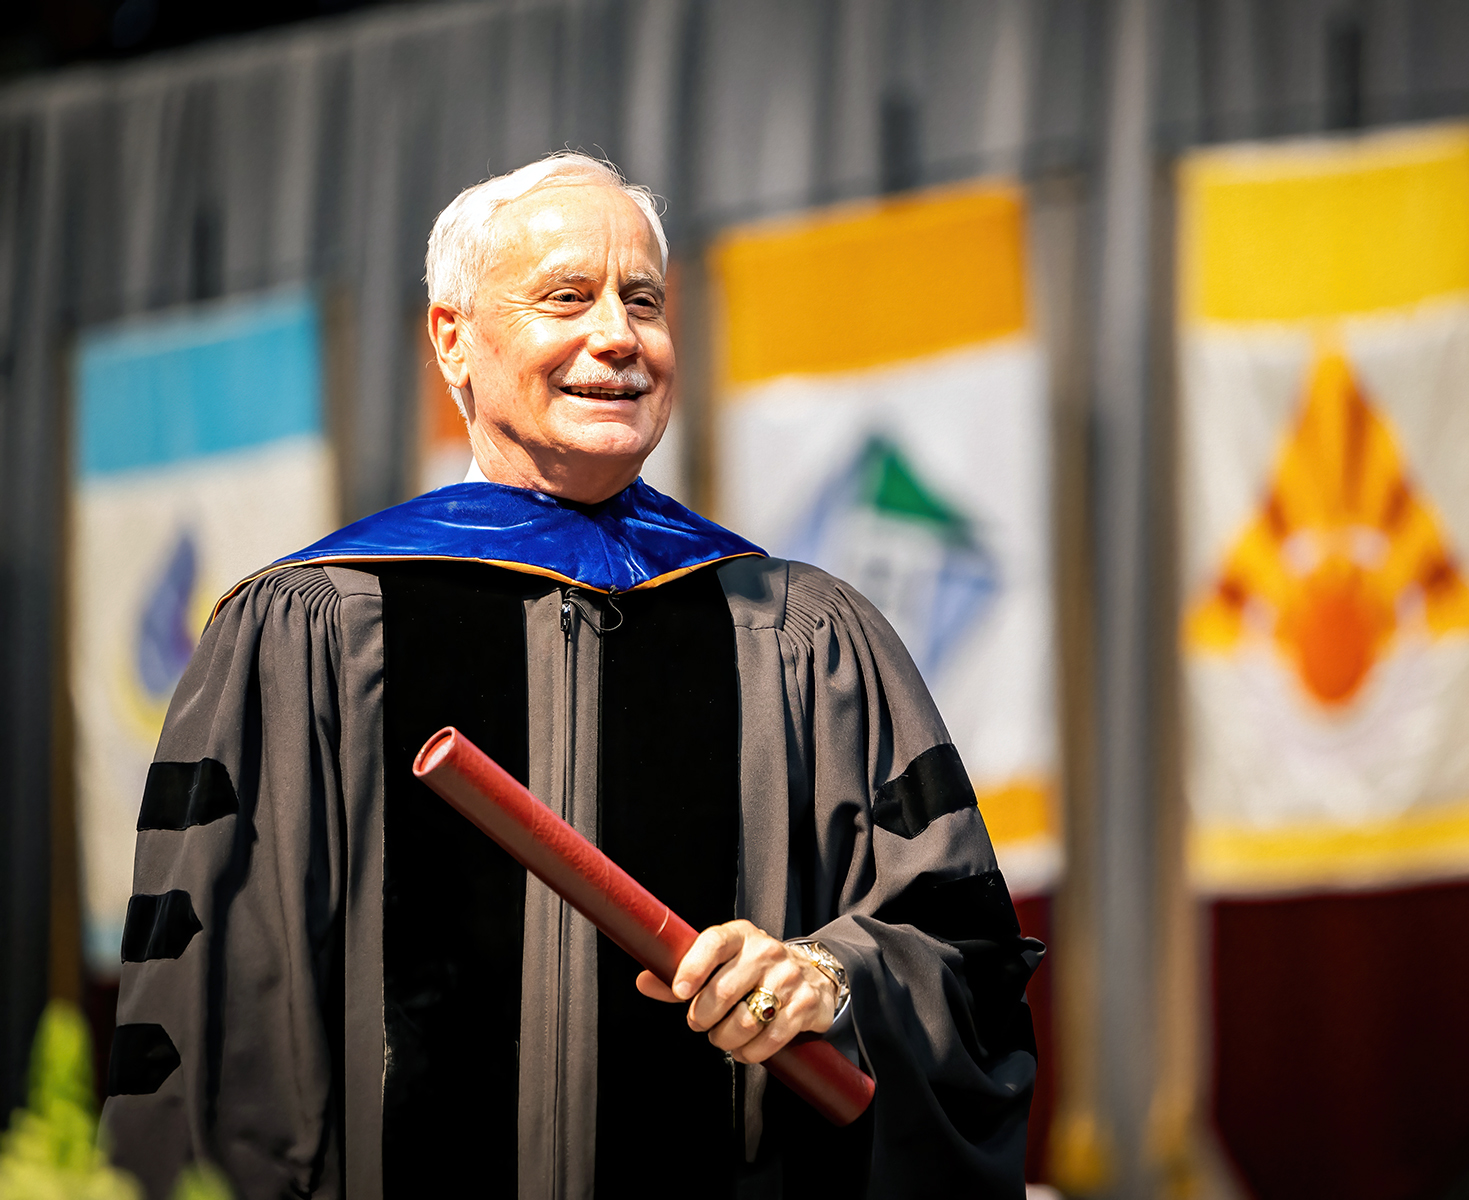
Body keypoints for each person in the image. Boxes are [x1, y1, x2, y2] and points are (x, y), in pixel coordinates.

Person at [101, 152, 1041, 1199]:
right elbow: (210, 1025)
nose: (617, 336)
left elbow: (965, 964)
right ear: (452, 339)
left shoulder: (800, 636)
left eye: (643, 300)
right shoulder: (308, 633)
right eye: (566, 298)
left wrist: (830, 979)